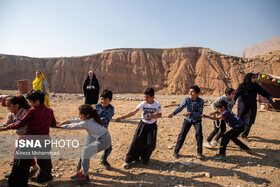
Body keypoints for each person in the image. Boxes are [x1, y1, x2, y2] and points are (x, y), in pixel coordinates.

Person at [1, 90, 56, 187]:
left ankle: (18, 183)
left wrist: (8, 127)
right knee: (44, 161)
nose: (29, 104)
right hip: (45, 140)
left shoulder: (32, 111)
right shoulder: (50, 111)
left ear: (37, 102)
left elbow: (21, 123)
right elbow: (53, 124)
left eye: (30, 102)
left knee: (21, 162)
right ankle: (44, 178)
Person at [58, 104, 111, 183]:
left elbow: (74, 126)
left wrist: (60, 127)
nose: (79, 116)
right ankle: (83, 173)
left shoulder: (86, 122)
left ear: (87, 115)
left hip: (104, 140)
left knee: (85, 153)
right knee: (85, 152)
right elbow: (76, 120)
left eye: (80, 115)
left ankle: (84, 176)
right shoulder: (89, 118)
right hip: (104, 138)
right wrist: (66, 122)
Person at [116, 88, 162, 169]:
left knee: (150, 144)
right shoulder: (143, 103)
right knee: (136, 141)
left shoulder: (157, 104)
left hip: (152, 126)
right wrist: (121, 117)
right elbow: (133, 113)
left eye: (147, 97)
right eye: (144, 97)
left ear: (153, 97)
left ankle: (144, 158)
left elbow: (160, 115)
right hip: (143, 125)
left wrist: (152, 116)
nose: (145, 99)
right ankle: (128, 160)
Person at [234, 73, 280, 141]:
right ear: (249, 78)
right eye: (253, 78)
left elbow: (264, 92)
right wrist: (232, 102)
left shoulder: (256, 86)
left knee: (250, 120)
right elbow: (235, 95)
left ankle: (244, 135)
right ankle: (236, 133)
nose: (254, 79)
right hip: (243, 106)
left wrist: (271, 98)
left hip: (252, 106)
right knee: (241, 119)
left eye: (255, 78)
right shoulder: (242, 86)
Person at [1, 96, 39, 179]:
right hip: (22, 136)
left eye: (9, 106)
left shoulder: (26, 113)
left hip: (29, 136)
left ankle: (16, 172)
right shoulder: (11, 115)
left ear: (16, 105)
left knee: (18, 154)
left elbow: (23, 125)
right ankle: (35, 167)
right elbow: (6, 124)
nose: (7, 108)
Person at [168, 85, 204, 159]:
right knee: (182, 134)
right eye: (189, 92)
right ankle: (176, 152)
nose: (190, 93)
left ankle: (199, 153)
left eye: (192, 92)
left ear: (197, 93)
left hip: (197, 120)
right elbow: (180, 107)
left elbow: (200, 113)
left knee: (199, 134)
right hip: (188, 119)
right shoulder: (187, 99)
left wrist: (191, 113)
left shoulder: (201, 101)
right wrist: (173, 113)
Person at [95, 89, 114, 170]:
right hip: (93, 131)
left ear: (110, 100)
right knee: (88, 150)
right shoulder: (96, 106)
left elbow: (106, 119)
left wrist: (95, 118)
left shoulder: (111, 109)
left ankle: (103, 159)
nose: (103, 101)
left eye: (106, 99)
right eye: (102, 99)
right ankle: (80, 165)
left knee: (109, 148)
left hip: (103, 132)